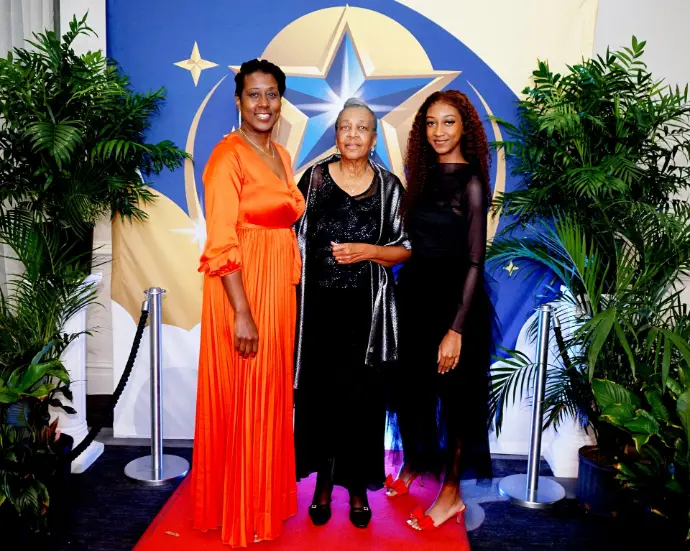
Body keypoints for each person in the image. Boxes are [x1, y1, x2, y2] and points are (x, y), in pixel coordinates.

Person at [191, 59, 304, 548]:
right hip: (243, 290)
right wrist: (242, 311)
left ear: (281, 101)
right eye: (254, 94)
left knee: (270, 393)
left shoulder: (280, 152)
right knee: (246, 394)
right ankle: (241, 509)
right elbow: (220, 242)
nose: (263, 103)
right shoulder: (227, 157)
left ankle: (263, 501)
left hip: (277, 288)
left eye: (272, 94)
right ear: (238, 101)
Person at [293, 98, 411, 529]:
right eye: (346, 127)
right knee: (323, 401)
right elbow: (291, 239)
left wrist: (368, 251)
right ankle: (323, 486)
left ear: (374, 138)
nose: (353, 135)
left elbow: (405, 249)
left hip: (368, 316)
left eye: (362, 128)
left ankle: (358, 489)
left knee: (361, 404)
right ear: (336, 134)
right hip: (319, 312)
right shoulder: (314, 179)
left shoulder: (390, 187)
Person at [386, 90, 498, 531]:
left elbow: (474, 260)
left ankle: (451, 494)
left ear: (465, 127)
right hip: (415, 298)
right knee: (411, 391)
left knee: (455, 403)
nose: (439, 131)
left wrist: (456, 330)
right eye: (431, 123)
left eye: (448, 122)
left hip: (455, 305)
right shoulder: (423, 176)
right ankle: (415, 462)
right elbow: (411, 244)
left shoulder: (472, 183)